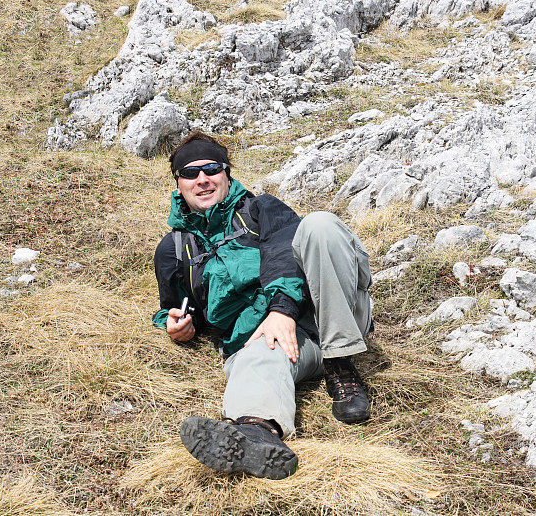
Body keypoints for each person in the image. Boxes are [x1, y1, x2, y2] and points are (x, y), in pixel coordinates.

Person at [152, 131, 373, 480]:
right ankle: (255, 433)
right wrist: (180, 324)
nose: (202, 179)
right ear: (178, 183)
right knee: (256, 354)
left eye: (211, 168)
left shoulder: (262, 209)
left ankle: (341, 363)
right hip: (276, 342)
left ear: (227, 173)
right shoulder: (174, 249)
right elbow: (177, 305)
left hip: (329, 312)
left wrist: (281, 309)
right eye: (190, 173)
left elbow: (284, 251)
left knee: (320, 226)